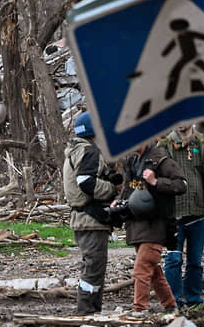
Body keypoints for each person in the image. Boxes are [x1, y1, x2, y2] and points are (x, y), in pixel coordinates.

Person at [114, 142, 186, 316]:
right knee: (153, 271)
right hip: (137, 224)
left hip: (157, 224)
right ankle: (170, 306)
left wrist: (156, 181)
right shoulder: (131, 161)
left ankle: (139, 310)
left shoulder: (161, 161)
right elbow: (129, 188)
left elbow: (182, 184)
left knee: (142, 268)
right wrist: (119, 201)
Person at [62, 112, 123, 315]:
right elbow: (86, 182)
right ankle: (86, 312)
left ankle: (91, 311)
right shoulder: (89, 152)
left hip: (82, 219)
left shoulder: (75, 150)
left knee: (93, 268)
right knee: (93, 269)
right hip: (90, 220)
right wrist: (112, 189)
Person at [159, 125, 204, 309]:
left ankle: (194, 300)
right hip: (173, 215)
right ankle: (173, 302)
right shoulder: (164, 146)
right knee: (173, 259)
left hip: (199, 212)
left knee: (195, 261)